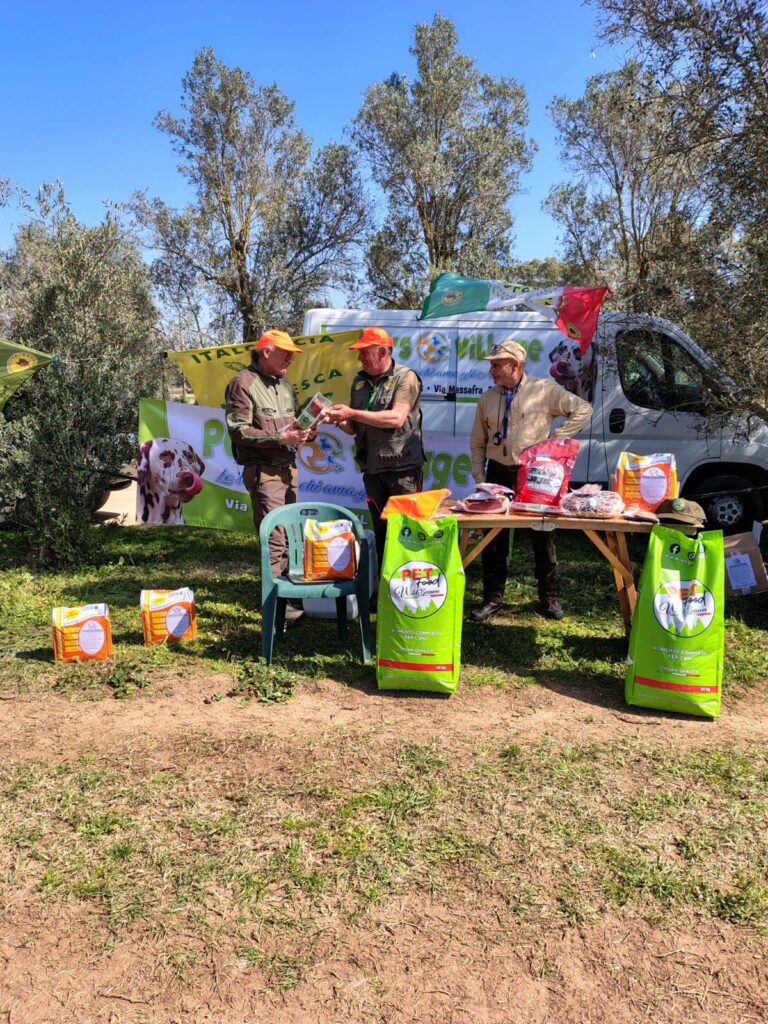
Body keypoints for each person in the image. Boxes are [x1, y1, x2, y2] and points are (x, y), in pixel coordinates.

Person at [469, 337, 592, 622]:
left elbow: (582, 409)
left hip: (536, 476)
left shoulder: (544, 390)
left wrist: (554, 442)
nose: (493, 370)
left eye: (498, 365)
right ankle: (492, 599)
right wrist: (480, 476)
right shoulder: (488, 398)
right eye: (492, 365)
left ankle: (548, 597)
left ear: (516, 365)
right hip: (498, 474)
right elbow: (477, 441)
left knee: (542, 534)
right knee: (493, 538)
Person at [225, 329, 310, 624]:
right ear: (266, 352)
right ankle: (275, 614)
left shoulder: (284, 384)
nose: (290, 357)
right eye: (285, 352)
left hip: (289, 471)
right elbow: (238, 430)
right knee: (275, 543)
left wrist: (306, 432)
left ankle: (292, 610)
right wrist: (280, 437)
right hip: (265, 475)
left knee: (292, 542)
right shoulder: (242, 383)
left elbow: (296, 422)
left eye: (292, 354)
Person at [324, 327, 424, 566]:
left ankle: (407, 587)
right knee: (380, 530)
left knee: (406, 531)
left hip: (402, 469)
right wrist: (338, 420)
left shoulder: (405, 377)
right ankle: (383, 589)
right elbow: (354, 427)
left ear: (382, 352)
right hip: (372, 469)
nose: (359, 358)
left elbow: (396, 418)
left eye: (364, 353)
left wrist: (353, 412)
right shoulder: (360, 381)